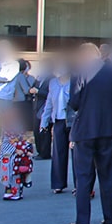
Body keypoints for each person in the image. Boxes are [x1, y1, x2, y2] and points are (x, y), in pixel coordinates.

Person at [67, 43, 112, 224]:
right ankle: (111, 218)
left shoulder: (80, 71)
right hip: (108, 130)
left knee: (83, 177)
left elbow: (74, 102)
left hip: (84, 130)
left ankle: (82, 221)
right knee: (107, 176)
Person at [40, 58, 72, 193]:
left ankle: (79, 185)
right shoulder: (53, 83)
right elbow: (49, 103)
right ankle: (58, 183)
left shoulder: (75, 82)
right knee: (58, 153)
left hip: (71, 122)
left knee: (76, 153)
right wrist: (44, 121)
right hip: (58, 121)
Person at [0, 105, 34, 201]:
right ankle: (8, 192)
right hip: (9, 156)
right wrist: (15, 149)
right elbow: (6, 142)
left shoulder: (20, 128)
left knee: (17, 176)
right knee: (8, 176)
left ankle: (16, 192)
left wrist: (27, 150)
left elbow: (25, 140)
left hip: (18, 157)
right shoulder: (6, 131)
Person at [31, 59, 54, 160]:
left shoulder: (52, 78)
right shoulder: (40, 78)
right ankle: (39, 151)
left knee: (44, 131)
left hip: (44, 107)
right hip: (37, 106)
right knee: (36, 130)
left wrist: (38, 91)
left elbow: (50, 94)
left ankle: (45, 153)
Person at [11, 59, 37, 132]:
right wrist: (33, 90)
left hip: (13, 101)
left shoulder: (13, 75)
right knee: (25, 124)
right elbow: (26, 90)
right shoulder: (20, 76)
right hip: (22, 102)